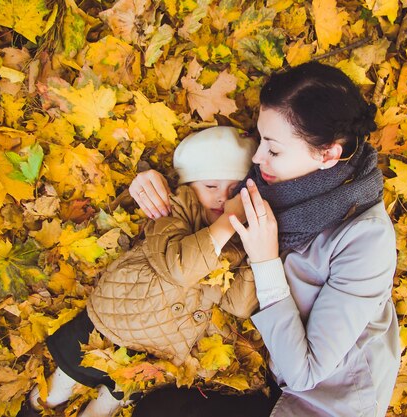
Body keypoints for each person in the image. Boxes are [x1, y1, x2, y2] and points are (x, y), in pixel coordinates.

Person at [129, 61, 401, 417]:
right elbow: (213, 193)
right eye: (259, 141)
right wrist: (154, 182)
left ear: (328, 154)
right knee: (156, 410)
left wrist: (265, 261)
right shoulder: (281, 177)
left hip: (323, 401)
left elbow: (305, 372)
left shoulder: (366, 241)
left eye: (272, 149)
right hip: (269, 370)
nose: (257, 159)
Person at [18, 126, 260, 417]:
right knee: (58, 388)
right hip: (117, 323)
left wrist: (256, 249)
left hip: (155, 353)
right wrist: (225, 224)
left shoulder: (235, 243)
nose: (223, 199)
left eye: (234, 191)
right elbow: (179, 267)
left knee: (103, 408)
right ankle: (34, 408)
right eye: (211, 187)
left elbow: (241, 305)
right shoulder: (173, 211)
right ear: (189, 185)